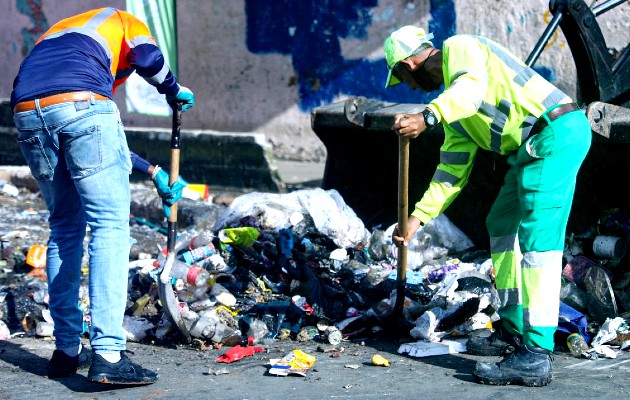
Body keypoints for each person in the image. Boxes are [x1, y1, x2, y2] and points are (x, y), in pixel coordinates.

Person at [384, 26, 591, 387]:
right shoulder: (456, 109)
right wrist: (416, 219)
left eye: (402, 79)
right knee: (501, 223)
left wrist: (427, 116)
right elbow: (451, 172)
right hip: (529, 150)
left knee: (537, 240)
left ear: (408, 64)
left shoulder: (461, 49)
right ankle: (513, 327)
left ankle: (537, 353)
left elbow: (471, 90)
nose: (410, 89)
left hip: (554, 132)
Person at [11, 7, 194, 385]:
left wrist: (155, 172)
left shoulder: (61, 38)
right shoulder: (126, 20)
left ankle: (65, 351)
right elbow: (148, 58)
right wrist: (173, 90)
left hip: (27, 111)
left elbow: (88, 139)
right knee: (109, 226)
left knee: (64, 227)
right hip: (80, 107)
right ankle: (109, 354)